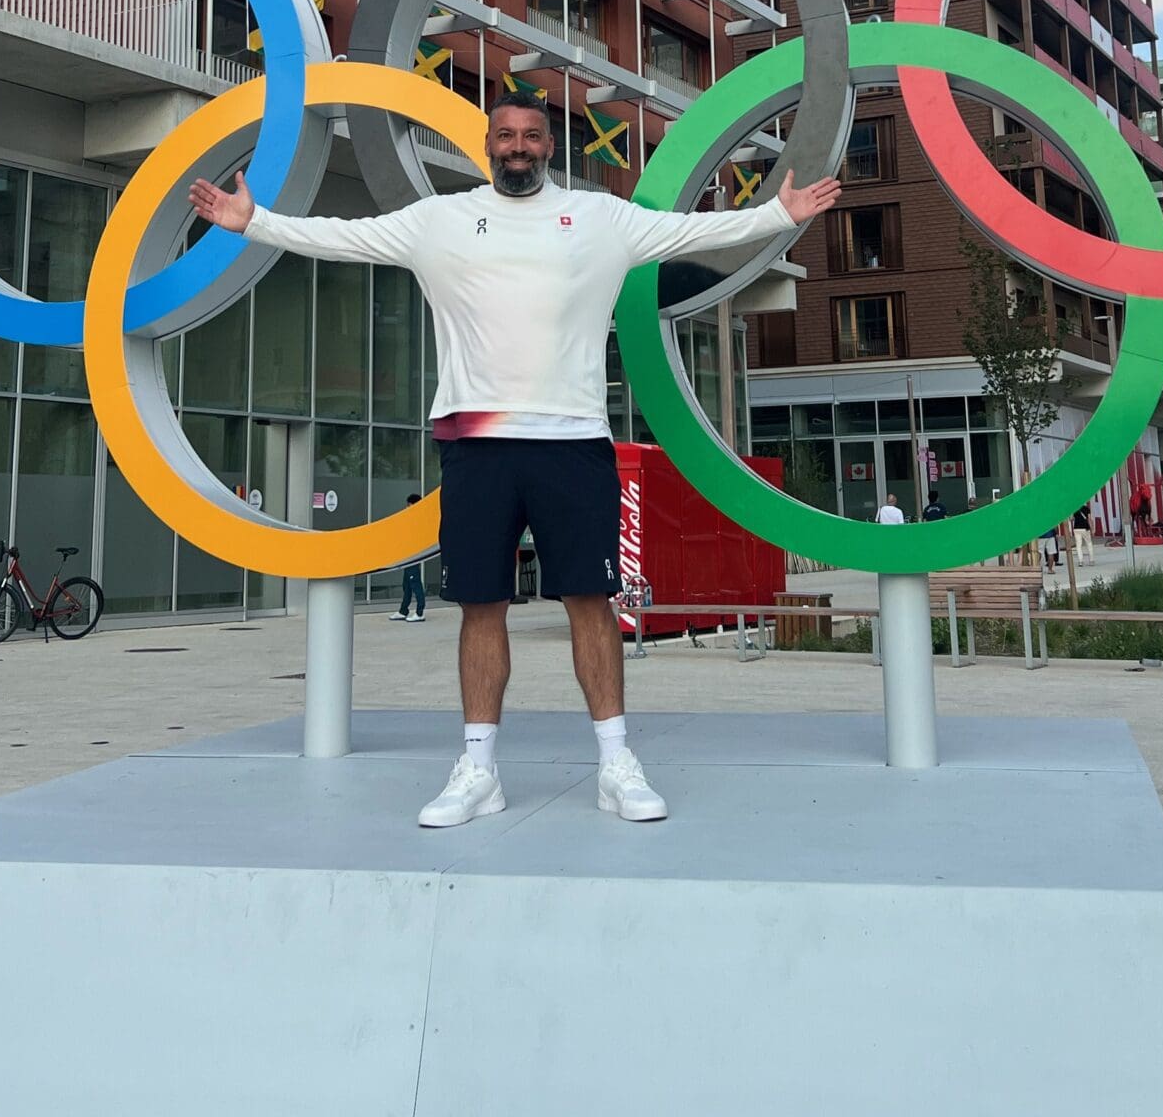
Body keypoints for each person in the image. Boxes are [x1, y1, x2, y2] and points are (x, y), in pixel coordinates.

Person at [191, 90, 836, 828]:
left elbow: (694, 230)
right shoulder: (439, 221)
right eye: (506, 135)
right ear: (488, 145)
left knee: (591, 603)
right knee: (481, 605)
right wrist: (255, 222)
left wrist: (776, 215)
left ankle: (615, 765)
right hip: (476, 445)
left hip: (573, 443)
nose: (518, 146)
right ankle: (478, 771)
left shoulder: (601, 218)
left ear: (549, 146)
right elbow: (346, 237)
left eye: (532, 135)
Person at [393, 492, 429, 621]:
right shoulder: (412, 518)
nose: (407, 507)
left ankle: (420, 612)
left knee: (415, 583)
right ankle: (403, 611)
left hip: (414, 556)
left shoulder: (419, 519)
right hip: (408, 555)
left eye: (409, 505)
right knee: (406, 584)